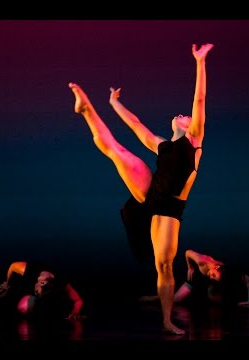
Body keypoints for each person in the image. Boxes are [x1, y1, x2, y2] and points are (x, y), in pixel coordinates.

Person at [68, 43, 214, 335]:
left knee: (164, 265)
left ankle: (166, 319)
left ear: (190, 126)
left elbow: (199, 100)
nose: (182, 115)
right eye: (182, 116)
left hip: (169, 208)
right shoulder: (163, 144)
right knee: (116, 151)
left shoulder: (194, 141)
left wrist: (200, 62)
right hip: (150, 193)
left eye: (185, 117)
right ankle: (87, 110)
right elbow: (136, 126)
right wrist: (114, 103)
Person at [140, 249, 249, 308]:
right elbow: (188, 252)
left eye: (214, 278)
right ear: (216, 267)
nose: (211, 276)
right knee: (176, 300)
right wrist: (190, 267)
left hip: (210, 286)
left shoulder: (225, 272)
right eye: (213, 275)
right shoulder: (203, 261)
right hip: (196, 278)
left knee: (217, 298)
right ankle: (153, 298)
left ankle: (213, 296)